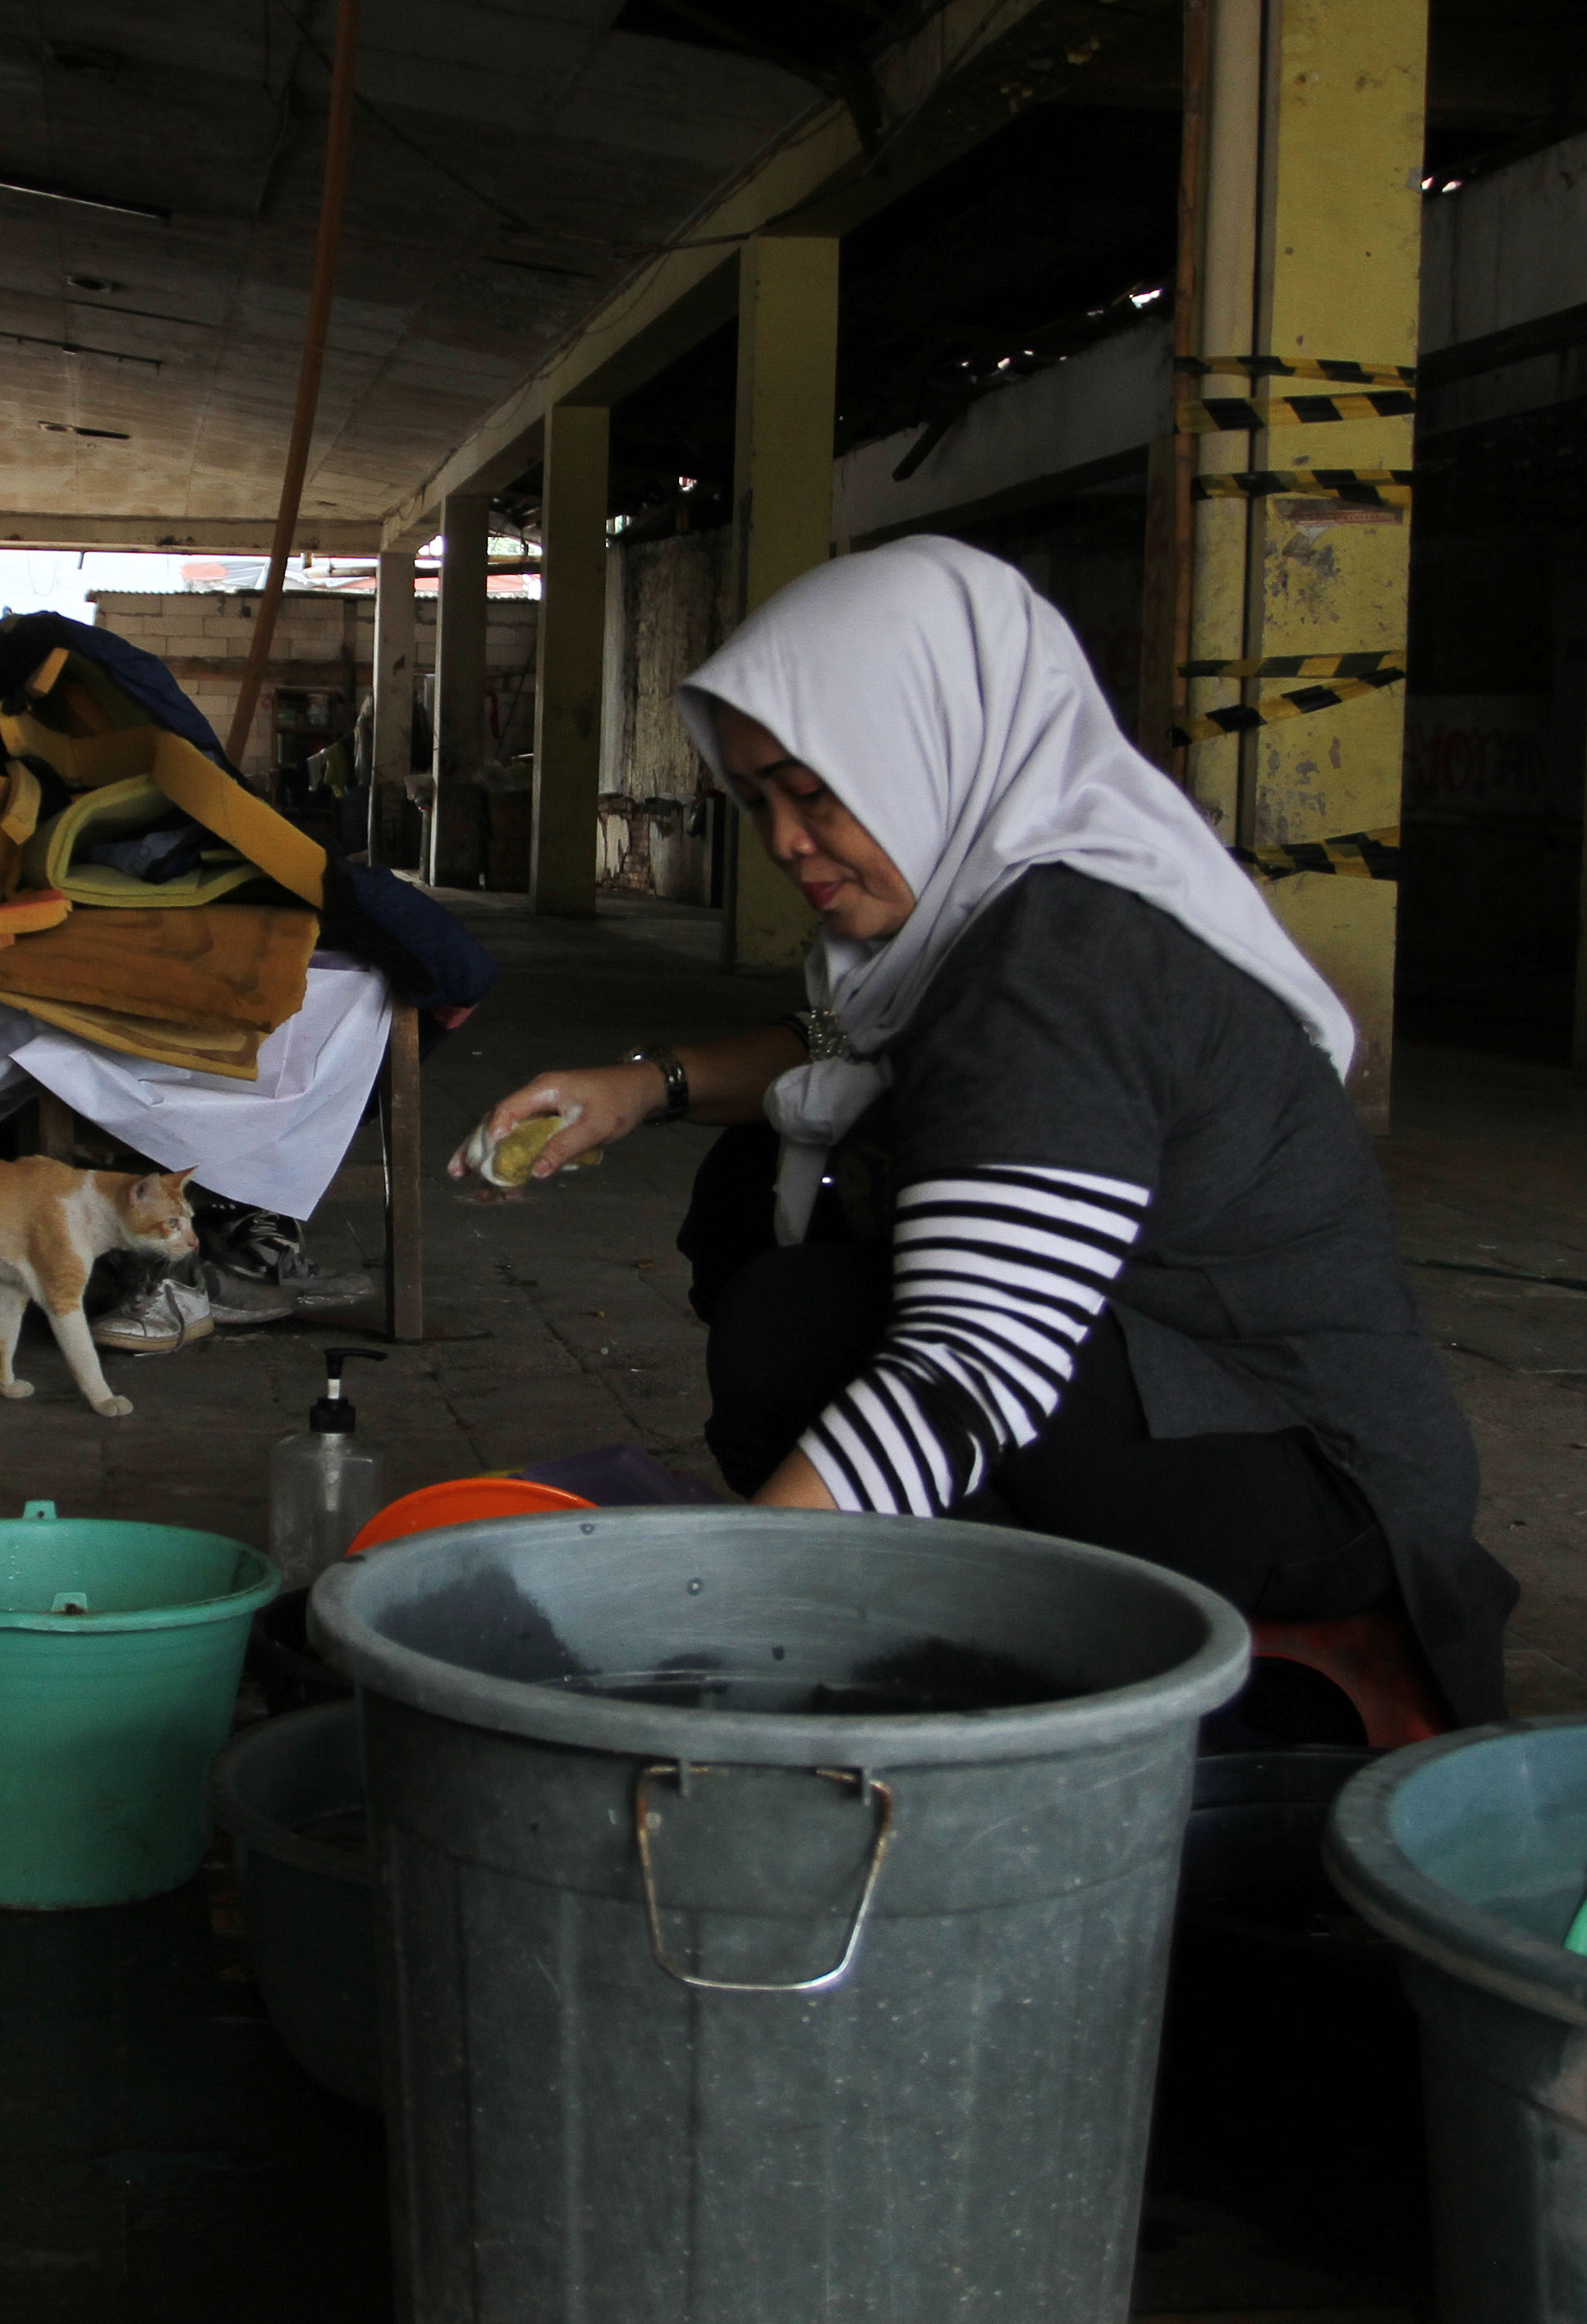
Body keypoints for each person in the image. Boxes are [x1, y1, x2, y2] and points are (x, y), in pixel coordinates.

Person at [455, 537, 1516, 1723]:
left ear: (932, 743)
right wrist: (643, 1087)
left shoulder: (1063, 965)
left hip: (1324, 1480)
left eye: (815, 790)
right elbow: (849, 1044)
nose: (787, 840)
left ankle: (951, 1673)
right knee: (765, 1203)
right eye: (758, 801)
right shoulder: (1010, 903)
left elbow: (974, 1368)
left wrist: (707, 1624)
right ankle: (909, 1605)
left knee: (799, 1329)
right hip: (1211, 1392)